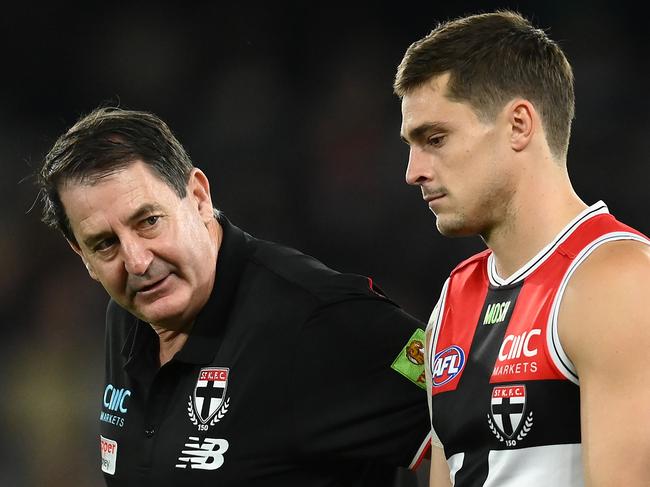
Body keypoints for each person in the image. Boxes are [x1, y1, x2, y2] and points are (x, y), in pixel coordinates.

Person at [37, 107, 432, 486]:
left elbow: (477, 421)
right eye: (105, 244)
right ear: (83, 256)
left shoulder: (315, 319)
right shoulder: (127, 316)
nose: (137, 261)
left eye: (149, 221)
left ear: (198, 197)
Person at [394, 10, 650, 487]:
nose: (413, 171)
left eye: (435, 138)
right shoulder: (453, 299)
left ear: (518, 125)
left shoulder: (616, 280)